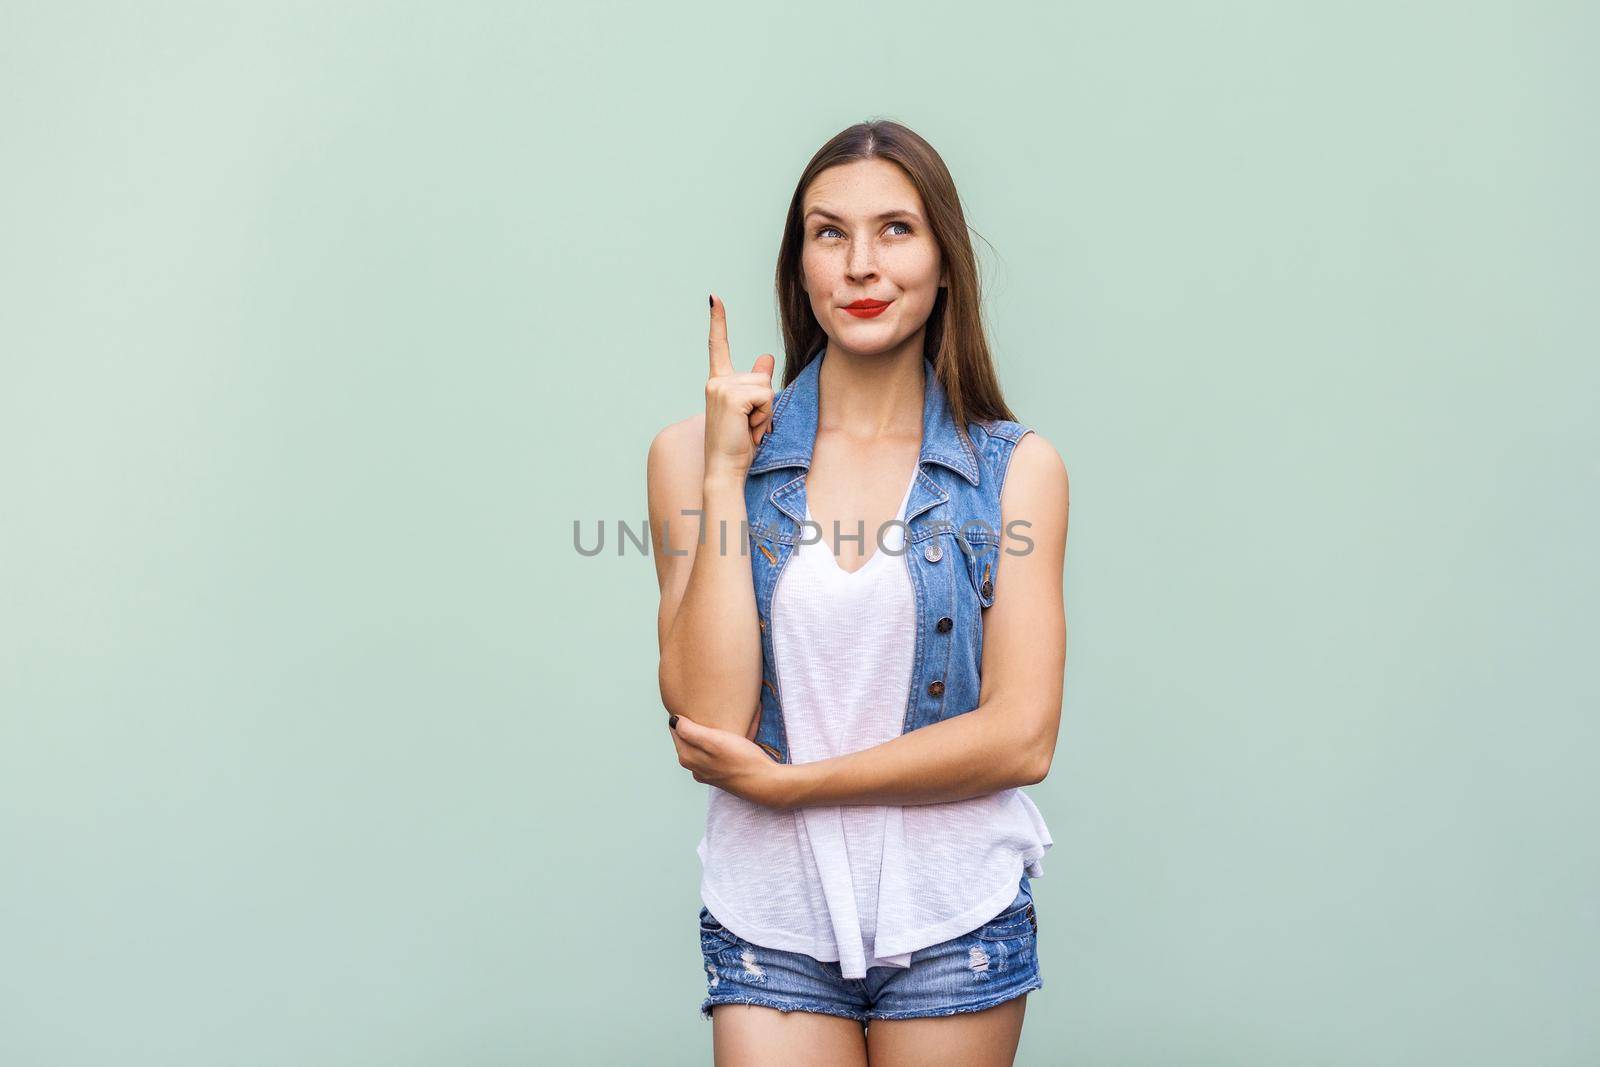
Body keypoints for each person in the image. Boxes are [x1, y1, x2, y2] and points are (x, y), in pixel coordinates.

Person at [647, 119, 1070, 1067]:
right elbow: (710, 715)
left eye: (896, 230)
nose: (862, 266)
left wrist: (794, 785)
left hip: (955, 914)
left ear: (945, 260)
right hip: (771, 917)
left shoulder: (1015, 472)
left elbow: (1024, 736)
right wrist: (724, 481)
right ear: (800, 266)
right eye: (829, 233)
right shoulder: (691, 455)